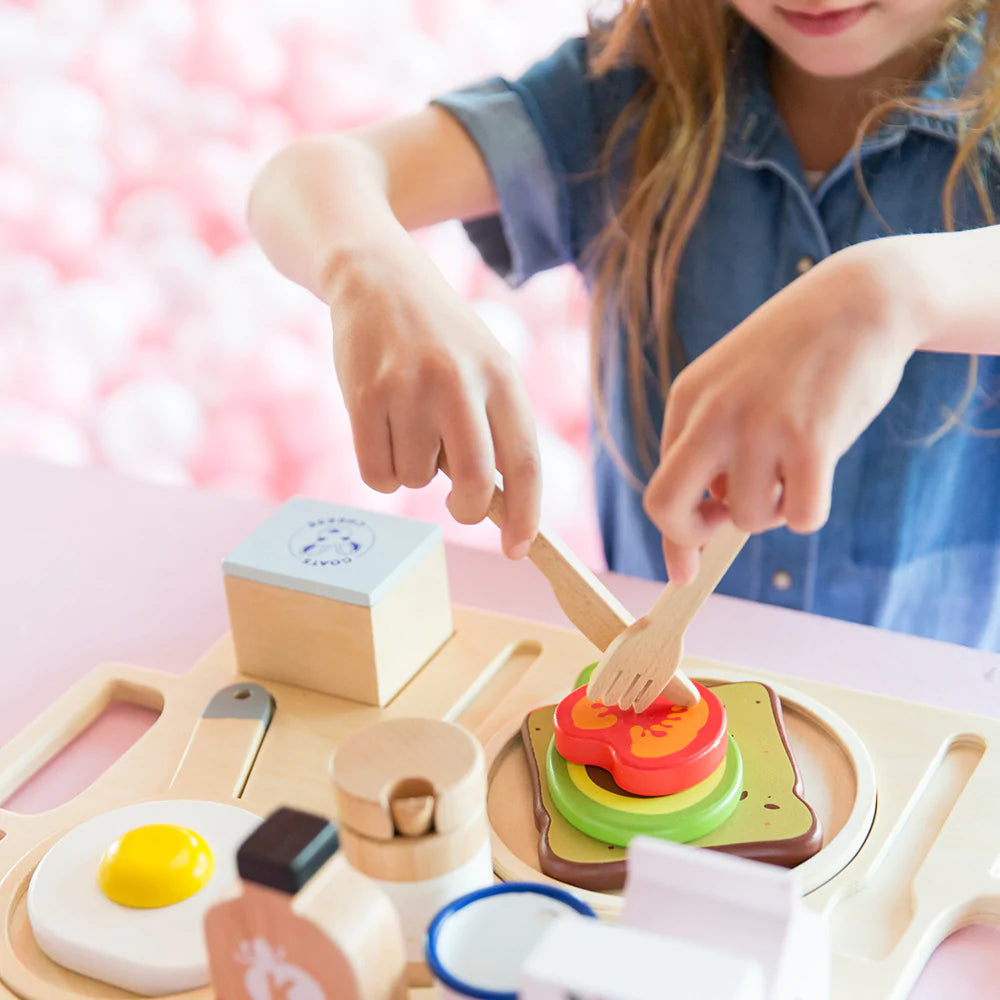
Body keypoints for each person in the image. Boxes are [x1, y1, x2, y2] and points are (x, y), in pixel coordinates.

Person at [247, 1, 1000, 651]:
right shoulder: (623, 96)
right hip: (662, 712)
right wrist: (369, 269)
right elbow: (305, 175)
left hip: (933, 714)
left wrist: (893, 290)